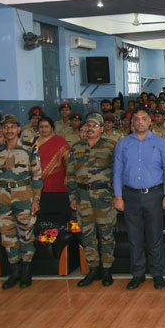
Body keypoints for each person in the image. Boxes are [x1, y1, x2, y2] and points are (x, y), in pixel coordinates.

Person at [113, 107, 165, 290]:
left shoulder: (161, 143)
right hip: (130, 196)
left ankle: (157, 274)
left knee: (154, 237)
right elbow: (117, 172)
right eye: (136, 119)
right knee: (134, 237)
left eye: (144, 119)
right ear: (132, 123)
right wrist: (118, 196)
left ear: (150, 122)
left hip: (154, 195)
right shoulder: (123, 144)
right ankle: (137, 274)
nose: (140, 122)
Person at [0, 114, 42, 289]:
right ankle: (14, 272)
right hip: (2, 198)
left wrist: (36, 200)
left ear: (19, 129)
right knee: (7, 236)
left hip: (24, 195)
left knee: (26, 234)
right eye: (5, 127)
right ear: (1, 130)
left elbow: (37, 176)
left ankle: (26, 271)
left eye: (12, 127)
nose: (9, 130)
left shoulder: (29, 148)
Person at [66, 113, 117, 287]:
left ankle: (107, 270)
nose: (90, 128)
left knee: (106, 234)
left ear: (102, 128)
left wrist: (116, 195)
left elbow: (118, 173)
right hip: (83, 197)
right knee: (87, 235)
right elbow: (71, 173)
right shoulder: (77, 147)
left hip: (104, 196)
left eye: (95, 125)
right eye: (88, 125)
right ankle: (93, 269)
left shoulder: (111, 146)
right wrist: (72, 196)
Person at [35, 116, 71, 229]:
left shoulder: (59, 141)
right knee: (41, 217)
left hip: (58, 185)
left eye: (46, 127)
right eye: (41, 127)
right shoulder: (33, 143)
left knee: (58, 219)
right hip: (38, 187)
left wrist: (68, 175)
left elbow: (69, 160)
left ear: (52, 128)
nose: (43, 129)